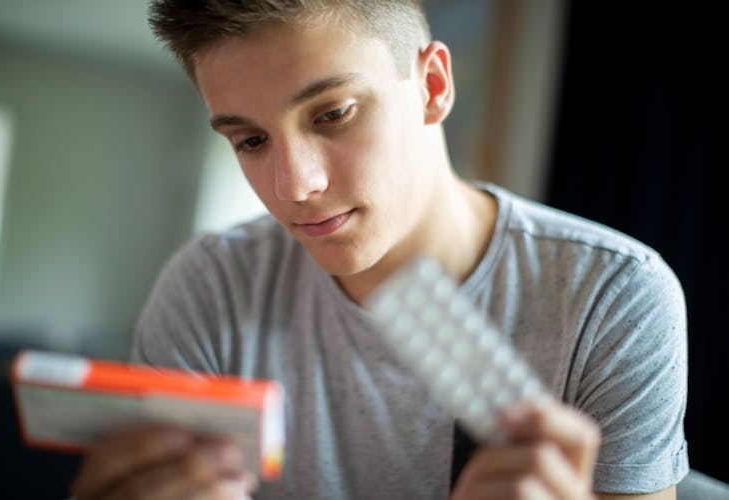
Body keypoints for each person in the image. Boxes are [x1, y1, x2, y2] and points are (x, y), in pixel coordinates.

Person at [71, 1, 688, 499]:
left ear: (434, 85)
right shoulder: (210, 289)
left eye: (332, 114)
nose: (294, 188)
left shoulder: (614, 298)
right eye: (251, 140)